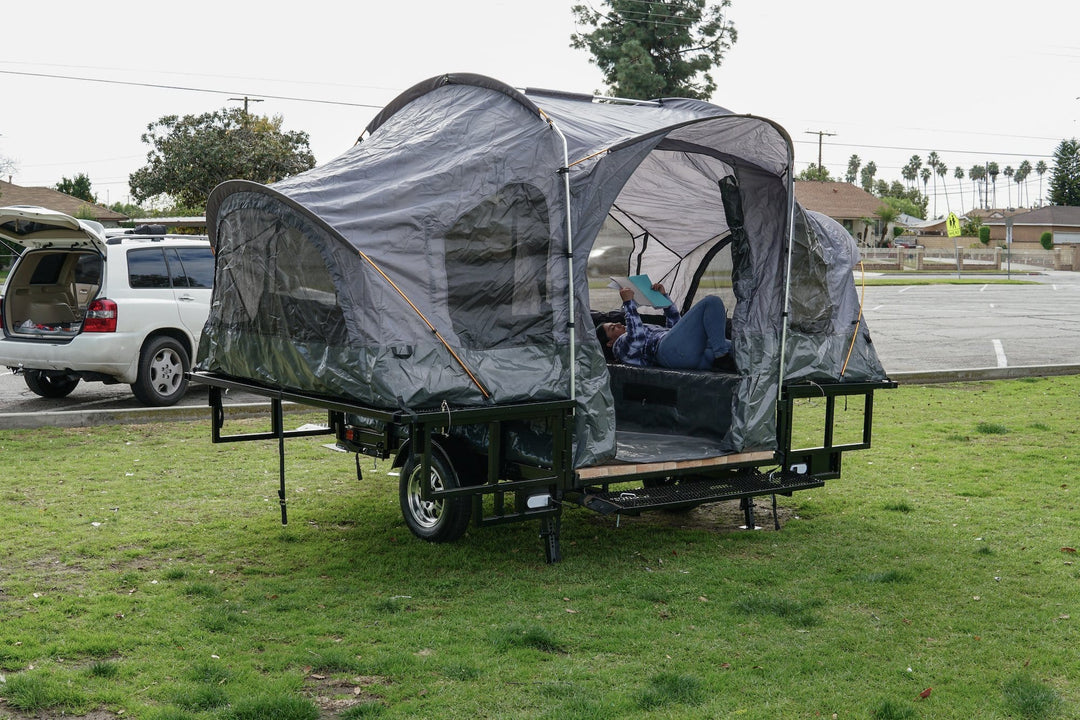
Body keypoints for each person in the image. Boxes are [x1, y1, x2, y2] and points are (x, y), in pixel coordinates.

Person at [596, 284, 735, 371]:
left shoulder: (634, 331)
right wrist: (628, 303)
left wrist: (663, 299)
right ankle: (721, 354)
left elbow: (676, 327)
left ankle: (722, 356)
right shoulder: (619, 348)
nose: (619, 324)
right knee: (711, 302)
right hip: (667, 352)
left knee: (737, 348)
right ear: (609, 343)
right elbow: (637, 338)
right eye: (613, 328)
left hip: (685, 355)